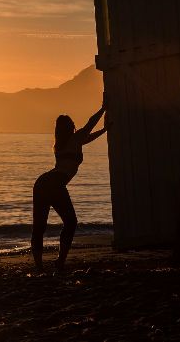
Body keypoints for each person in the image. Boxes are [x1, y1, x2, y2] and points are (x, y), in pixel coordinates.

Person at [31, 102, 106, 271]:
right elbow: (89, 125)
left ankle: (39, 266)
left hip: (43, 183)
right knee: (70, 222)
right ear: (69, 127)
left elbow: (88, 136)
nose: (74, 125)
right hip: (54, 183)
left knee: (40, 226)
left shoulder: (63, 143)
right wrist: (103, 108)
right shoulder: (73, 139)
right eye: (72, 124)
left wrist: (105, 130)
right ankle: (60, 261)